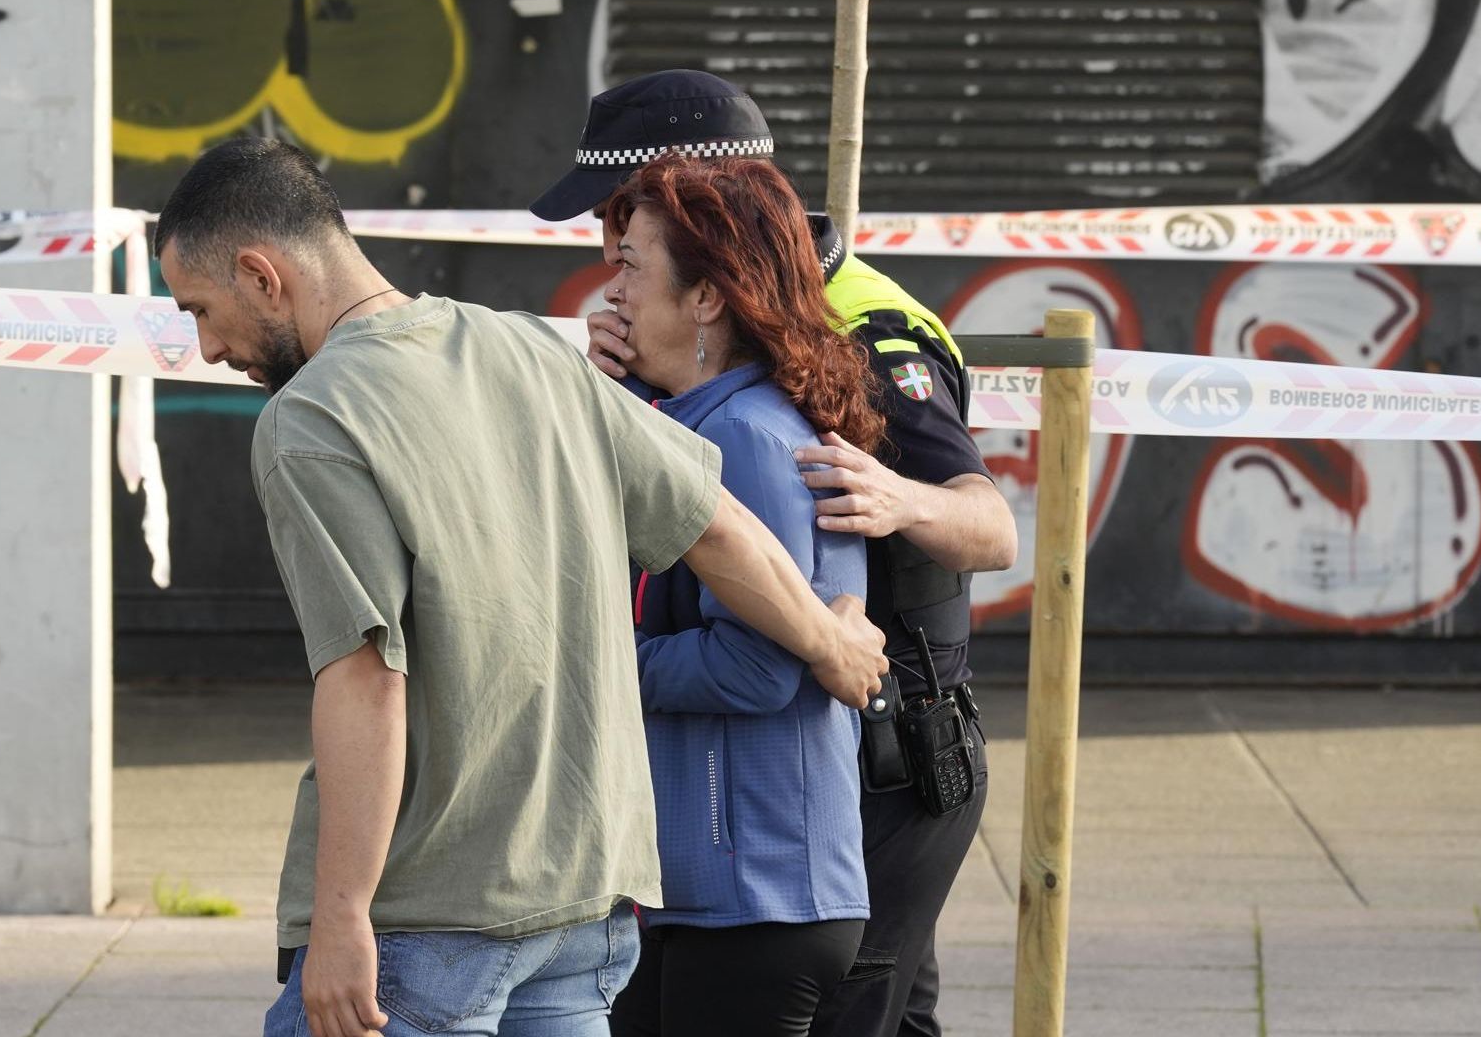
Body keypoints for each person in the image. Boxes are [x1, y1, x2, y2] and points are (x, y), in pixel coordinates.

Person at [152, 137, 890, 1037]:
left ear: (263, 275)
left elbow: (365, 677)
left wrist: (342, 915)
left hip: (426, 920)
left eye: (202, 310)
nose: (207, 347)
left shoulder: (312, 419)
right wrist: (831, 643)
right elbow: (717, 524)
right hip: (586, 909)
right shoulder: (524, 350)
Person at [530, 70, 1017, 1037]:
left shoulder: (869, 326)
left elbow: (992, 527)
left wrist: (896, 496)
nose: (606, 259)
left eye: (624, 230)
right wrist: (626, 392)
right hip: (777, 783)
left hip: (883, 757)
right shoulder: (698, 351)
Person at [599, 154, 881, 1036]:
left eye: (630, 267)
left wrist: (596, 664)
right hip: (714, 893)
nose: (612, 292)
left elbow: (758, 669)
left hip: (757, 894)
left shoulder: (748, 441)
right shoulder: (700, 421)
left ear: (706, 300)